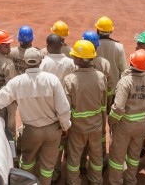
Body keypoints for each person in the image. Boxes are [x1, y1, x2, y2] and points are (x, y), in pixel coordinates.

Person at [0, 48, 71, 185]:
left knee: (27, 162)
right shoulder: (52, 80)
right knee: (48, 167)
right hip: (53, 130)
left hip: (31, 130)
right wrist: (65, 126)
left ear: (25, 62)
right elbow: (63, 108)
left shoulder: (18, 82)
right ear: (40, 61)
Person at [108, 50, 145, 185]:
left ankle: (115, 182)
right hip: (141, 125)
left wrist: (111, 121)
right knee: (134, 156)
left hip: (124, 125)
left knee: (117, 157)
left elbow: (118, 108)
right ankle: (130, 180)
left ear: (131, 63)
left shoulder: (125, 82)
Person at [62, 40, 106, 185]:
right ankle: (96, 180)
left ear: (80, 59)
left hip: (77, 127)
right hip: (96, 126)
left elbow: (66, 107)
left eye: (75, 56)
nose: (73, 58)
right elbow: (103, 102)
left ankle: (74, 182)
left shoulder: (70, 79)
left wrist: (65, 127)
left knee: (74, 157)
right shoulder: (101, 77)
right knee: (96, 156)